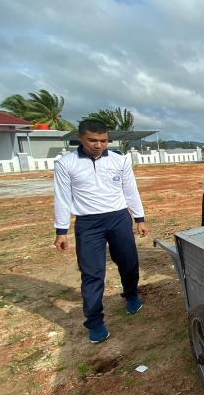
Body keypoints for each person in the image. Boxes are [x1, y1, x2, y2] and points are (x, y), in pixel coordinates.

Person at [53, 120, 149, 344]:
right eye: (93, 140)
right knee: (92, 273)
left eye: (103, 140)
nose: (99, 145)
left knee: (128, 261)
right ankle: (95, 322)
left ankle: (131, 294)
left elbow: (130, 190)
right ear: (80, 138)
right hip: (88, 224)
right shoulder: (66, 164)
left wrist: (139, 219)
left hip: (118, 219)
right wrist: (61, 230)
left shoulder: (119, 160)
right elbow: (62, 198)